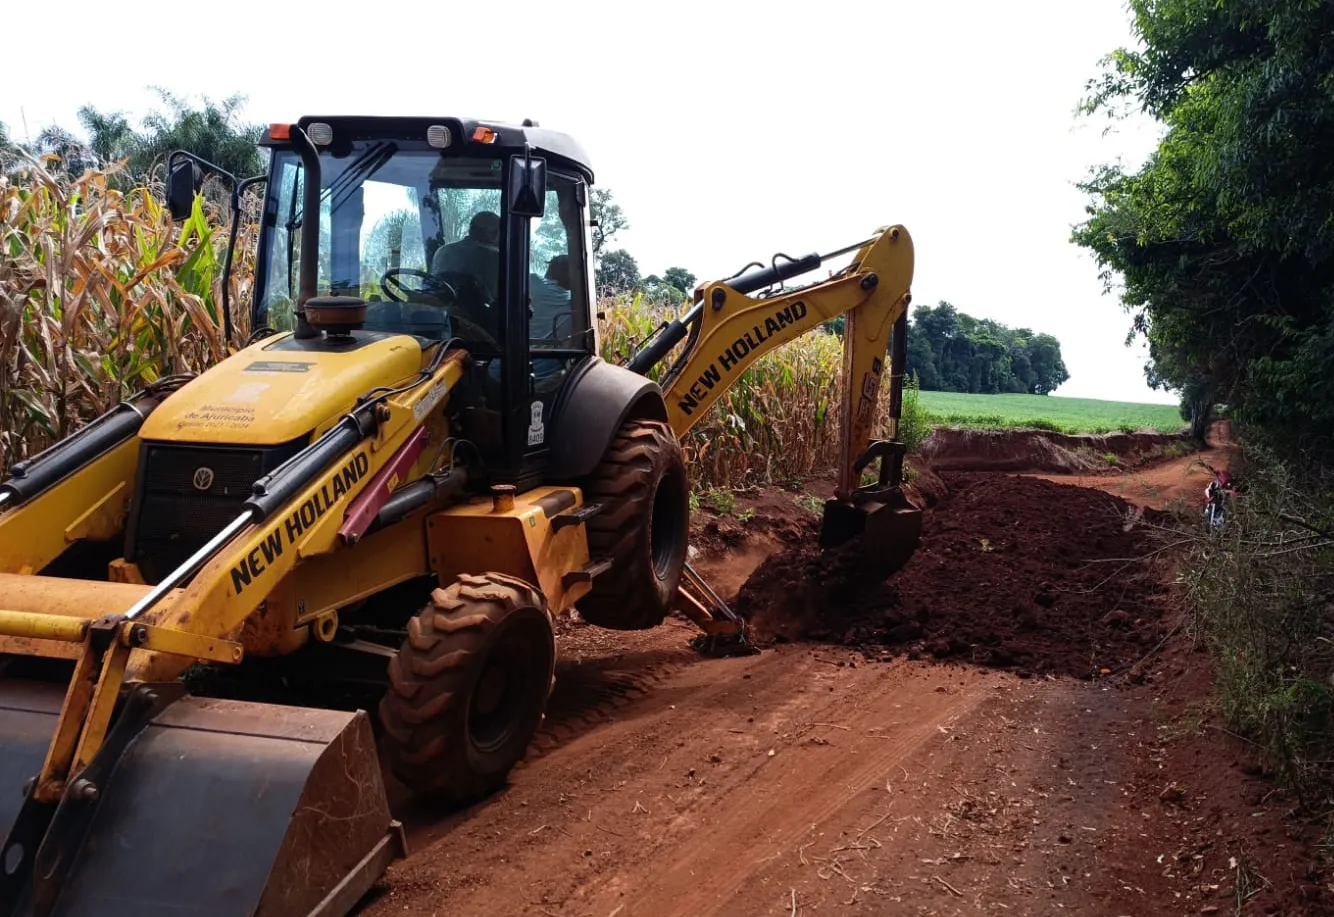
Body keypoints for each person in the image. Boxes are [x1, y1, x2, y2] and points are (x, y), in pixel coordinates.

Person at [431, 210, 501, 301]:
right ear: (494, 234)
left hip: (443, 311)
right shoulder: (495, 257)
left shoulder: (443, 251)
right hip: (478, 313)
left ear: (470, 230)